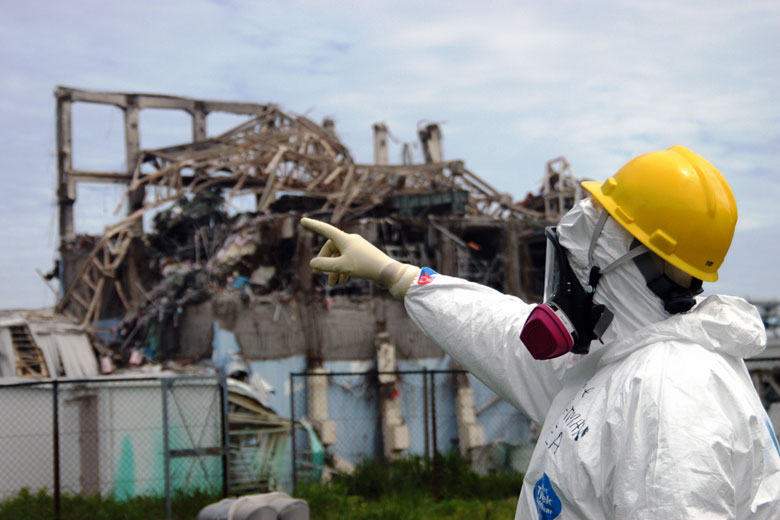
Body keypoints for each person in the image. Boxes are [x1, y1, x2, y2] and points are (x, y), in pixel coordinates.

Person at [300, 145, 780, 519]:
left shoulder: (670, 397)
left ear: (622, 256)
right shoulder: (620, 358)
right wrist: (397, 274)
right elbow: (498, 331)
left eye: (583, 243)